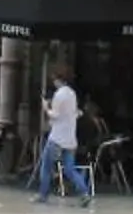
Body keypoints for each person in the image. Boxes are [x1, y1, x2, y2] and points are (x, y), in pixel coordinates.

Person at [30, 64, 93, 205]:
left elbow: (55, 115)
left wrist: (46, 108)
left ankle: (43, 195)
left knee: (46, 167)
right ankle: (84, 193)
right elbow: (73, 112)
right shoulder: (72, 94)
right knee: (70, 169)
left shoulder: (59, 94)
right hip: (70, 139)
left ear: (58, 79)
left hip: (57, 138)